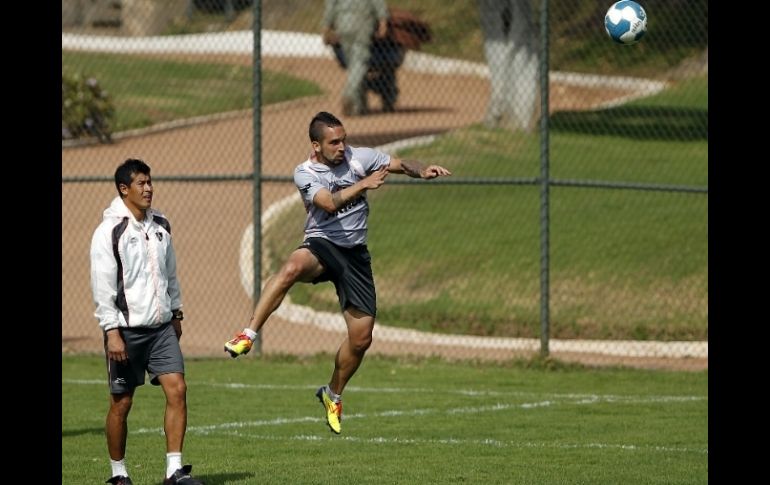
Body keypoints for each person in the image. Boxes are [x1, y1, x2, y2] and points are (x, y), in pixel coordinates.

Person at [224, 111, 452, 434]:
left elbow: (400, 164)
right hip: (322, 245)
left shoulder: (359, 157)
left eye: (343, 139)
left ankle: (332, 393)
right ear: (315, 145)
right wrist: (364, 185)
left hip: (355, 255)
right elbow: (327, 203)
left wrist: (422, 170)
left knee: (361, 339)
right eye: (334, 142)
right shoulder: (304, 173)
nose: (342, 146)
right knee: (291, 267)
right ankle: (248, 334)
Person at [90, 159, 204, 485]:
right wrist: (111, 331)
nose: (149, 188)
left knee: (178, 390)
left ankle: (174, 472)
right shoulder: (109, 232)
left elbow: (170, 274)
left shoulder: (161, 225)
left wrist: (177, 313)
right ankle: (118, 474)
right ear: (124, 189)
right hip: (125, 331)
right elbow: (103, 285)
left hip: (162, 328)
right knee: (122, 403)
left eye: (150, 182)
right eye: (141, 183)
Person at [322, 0, 389, 116]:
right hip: (363, 22)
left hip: (342, 23)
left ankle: (358, 106)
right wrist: (383, 21)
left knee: (352, 64)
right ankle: (349, 93)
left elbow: (330, 6)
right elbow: (378, 3)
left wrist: (326, 27)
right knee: (360, 62)